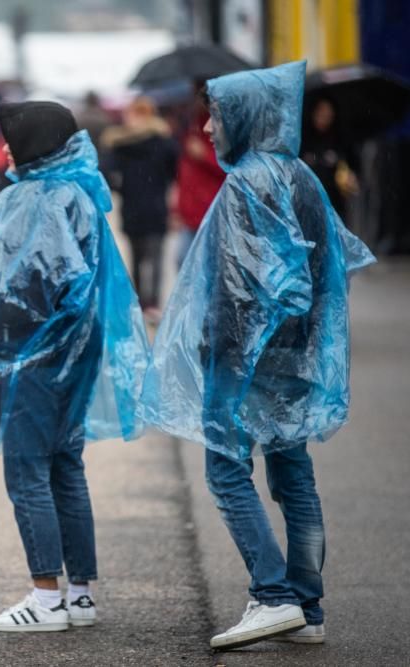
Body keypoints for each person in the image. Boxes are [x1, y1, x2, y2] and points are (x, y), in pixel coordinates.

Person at [139, 61, 376, 650]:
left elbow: (241, 288)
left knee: (226, 467)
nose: (210, 129)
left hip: (245, 355)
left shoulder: (249, 182)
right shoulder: (299, 176)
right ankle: (308, 606)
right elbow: (325, 272)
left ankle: (273, 596)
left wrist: (221, 355)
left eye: (216, 116)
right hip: (294, 352)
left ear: (244, 115)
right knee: (293, 472)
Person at [0, 101, 149, 632]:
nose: (6, 149)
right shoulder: (79, 193)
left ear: (35, 144)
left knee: (28, 470)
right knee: (65, 466)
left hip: (33, 356)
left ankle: (45, 600)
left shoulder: (30, 199)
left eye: (13, 138)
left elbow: (24, 283)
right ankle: (79, 595)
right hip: (75, 355)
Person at [100, 96, 178, 320]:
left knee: (142, 257)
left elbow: (108, 174)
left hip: (136, 207)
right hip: (152, 206)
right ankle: (149, 303)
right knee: (150, 257)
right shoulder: (162, 141)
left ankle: (143, 302)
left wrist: (120, 184)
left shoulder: (119, 143)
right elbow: (173, 171)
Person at [174, 85, 225, 268]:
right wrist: (177, 209)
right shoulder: (189, 128)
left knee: (202, 266)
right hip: (191, 212)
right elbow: (184, 177)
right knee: (183, 263)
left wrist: (204, 155)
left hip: (209, 210)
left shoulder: (216, 129)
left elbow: (225, 168)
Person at [301, 98, 359, 215]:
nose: (324, 116)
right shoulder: (303, 139)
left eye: (328, 113)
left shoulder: (341, 140)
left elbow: (354, 167)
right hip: (307, 203)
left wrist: (351, 176)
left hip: (334, 205)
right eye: (321, 111)